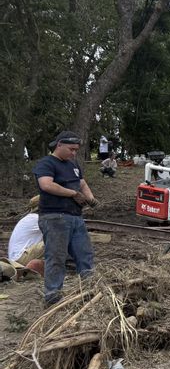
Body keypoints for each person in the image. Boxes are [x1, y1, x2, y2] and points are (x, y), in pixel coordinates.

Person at [33, 131, 97, 305]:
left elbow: (82, 183)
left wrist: (90, 198)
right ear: (59, 145)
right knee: (56, 256)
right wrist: (73, 194)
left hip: (76, 217)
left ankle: (92, 291)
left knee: (85, 255)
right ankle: (53, 296)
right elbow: (46, 185)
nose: (74, 153)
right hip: (54, 217)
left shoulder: (73, 164)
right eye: (71, 149)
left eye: (76, 150)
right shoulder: (46, 163)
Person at [0, 196, 45, 282]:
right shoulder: (36, 219)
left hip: (17, 258)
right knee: (55, 238)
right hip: (21, 257)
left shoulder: (30, 218)